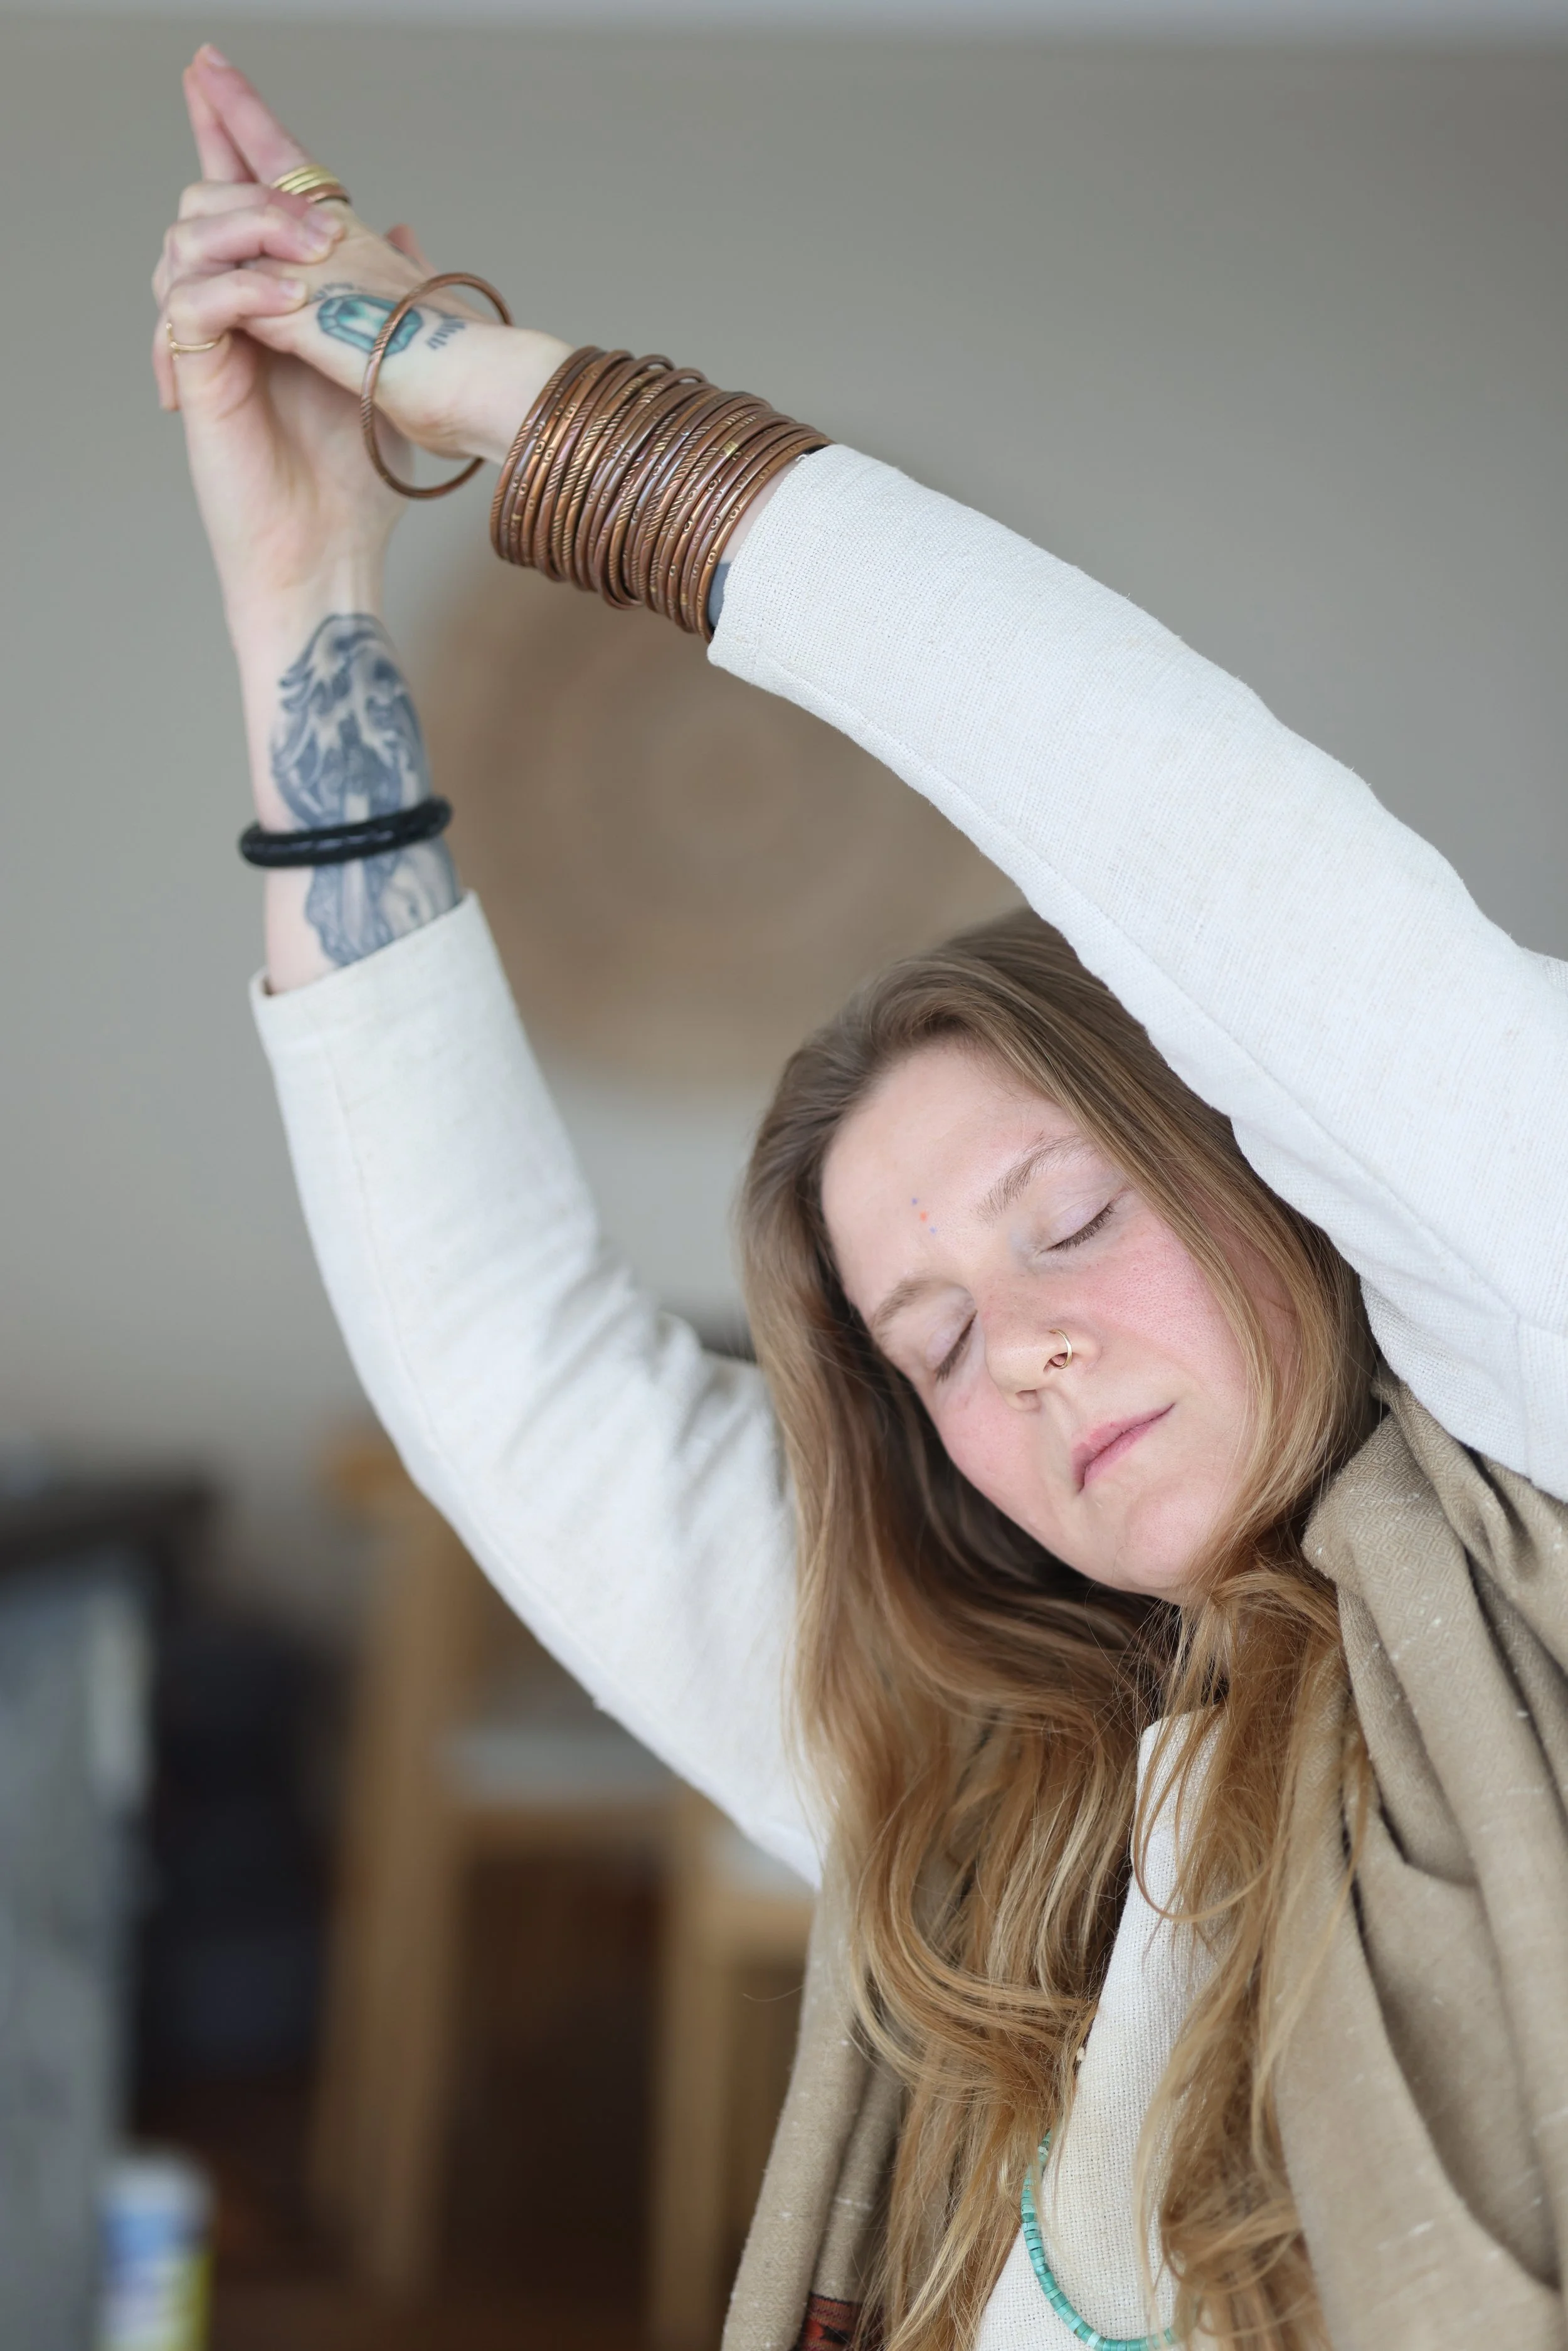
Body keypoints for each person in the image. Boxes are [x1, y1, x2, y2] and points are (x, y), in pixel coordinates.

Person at [154, 49, 1568, 2351]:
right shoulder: (980, 1773)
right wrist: (303, 587)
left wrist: (473, 384)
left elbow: (1200, 836)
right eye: (922, 1337)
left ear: (1279, 1163)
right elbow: (498, 1361)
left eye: (1066, 1217)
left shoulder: (1540, 1447)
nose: (1007, 1343)